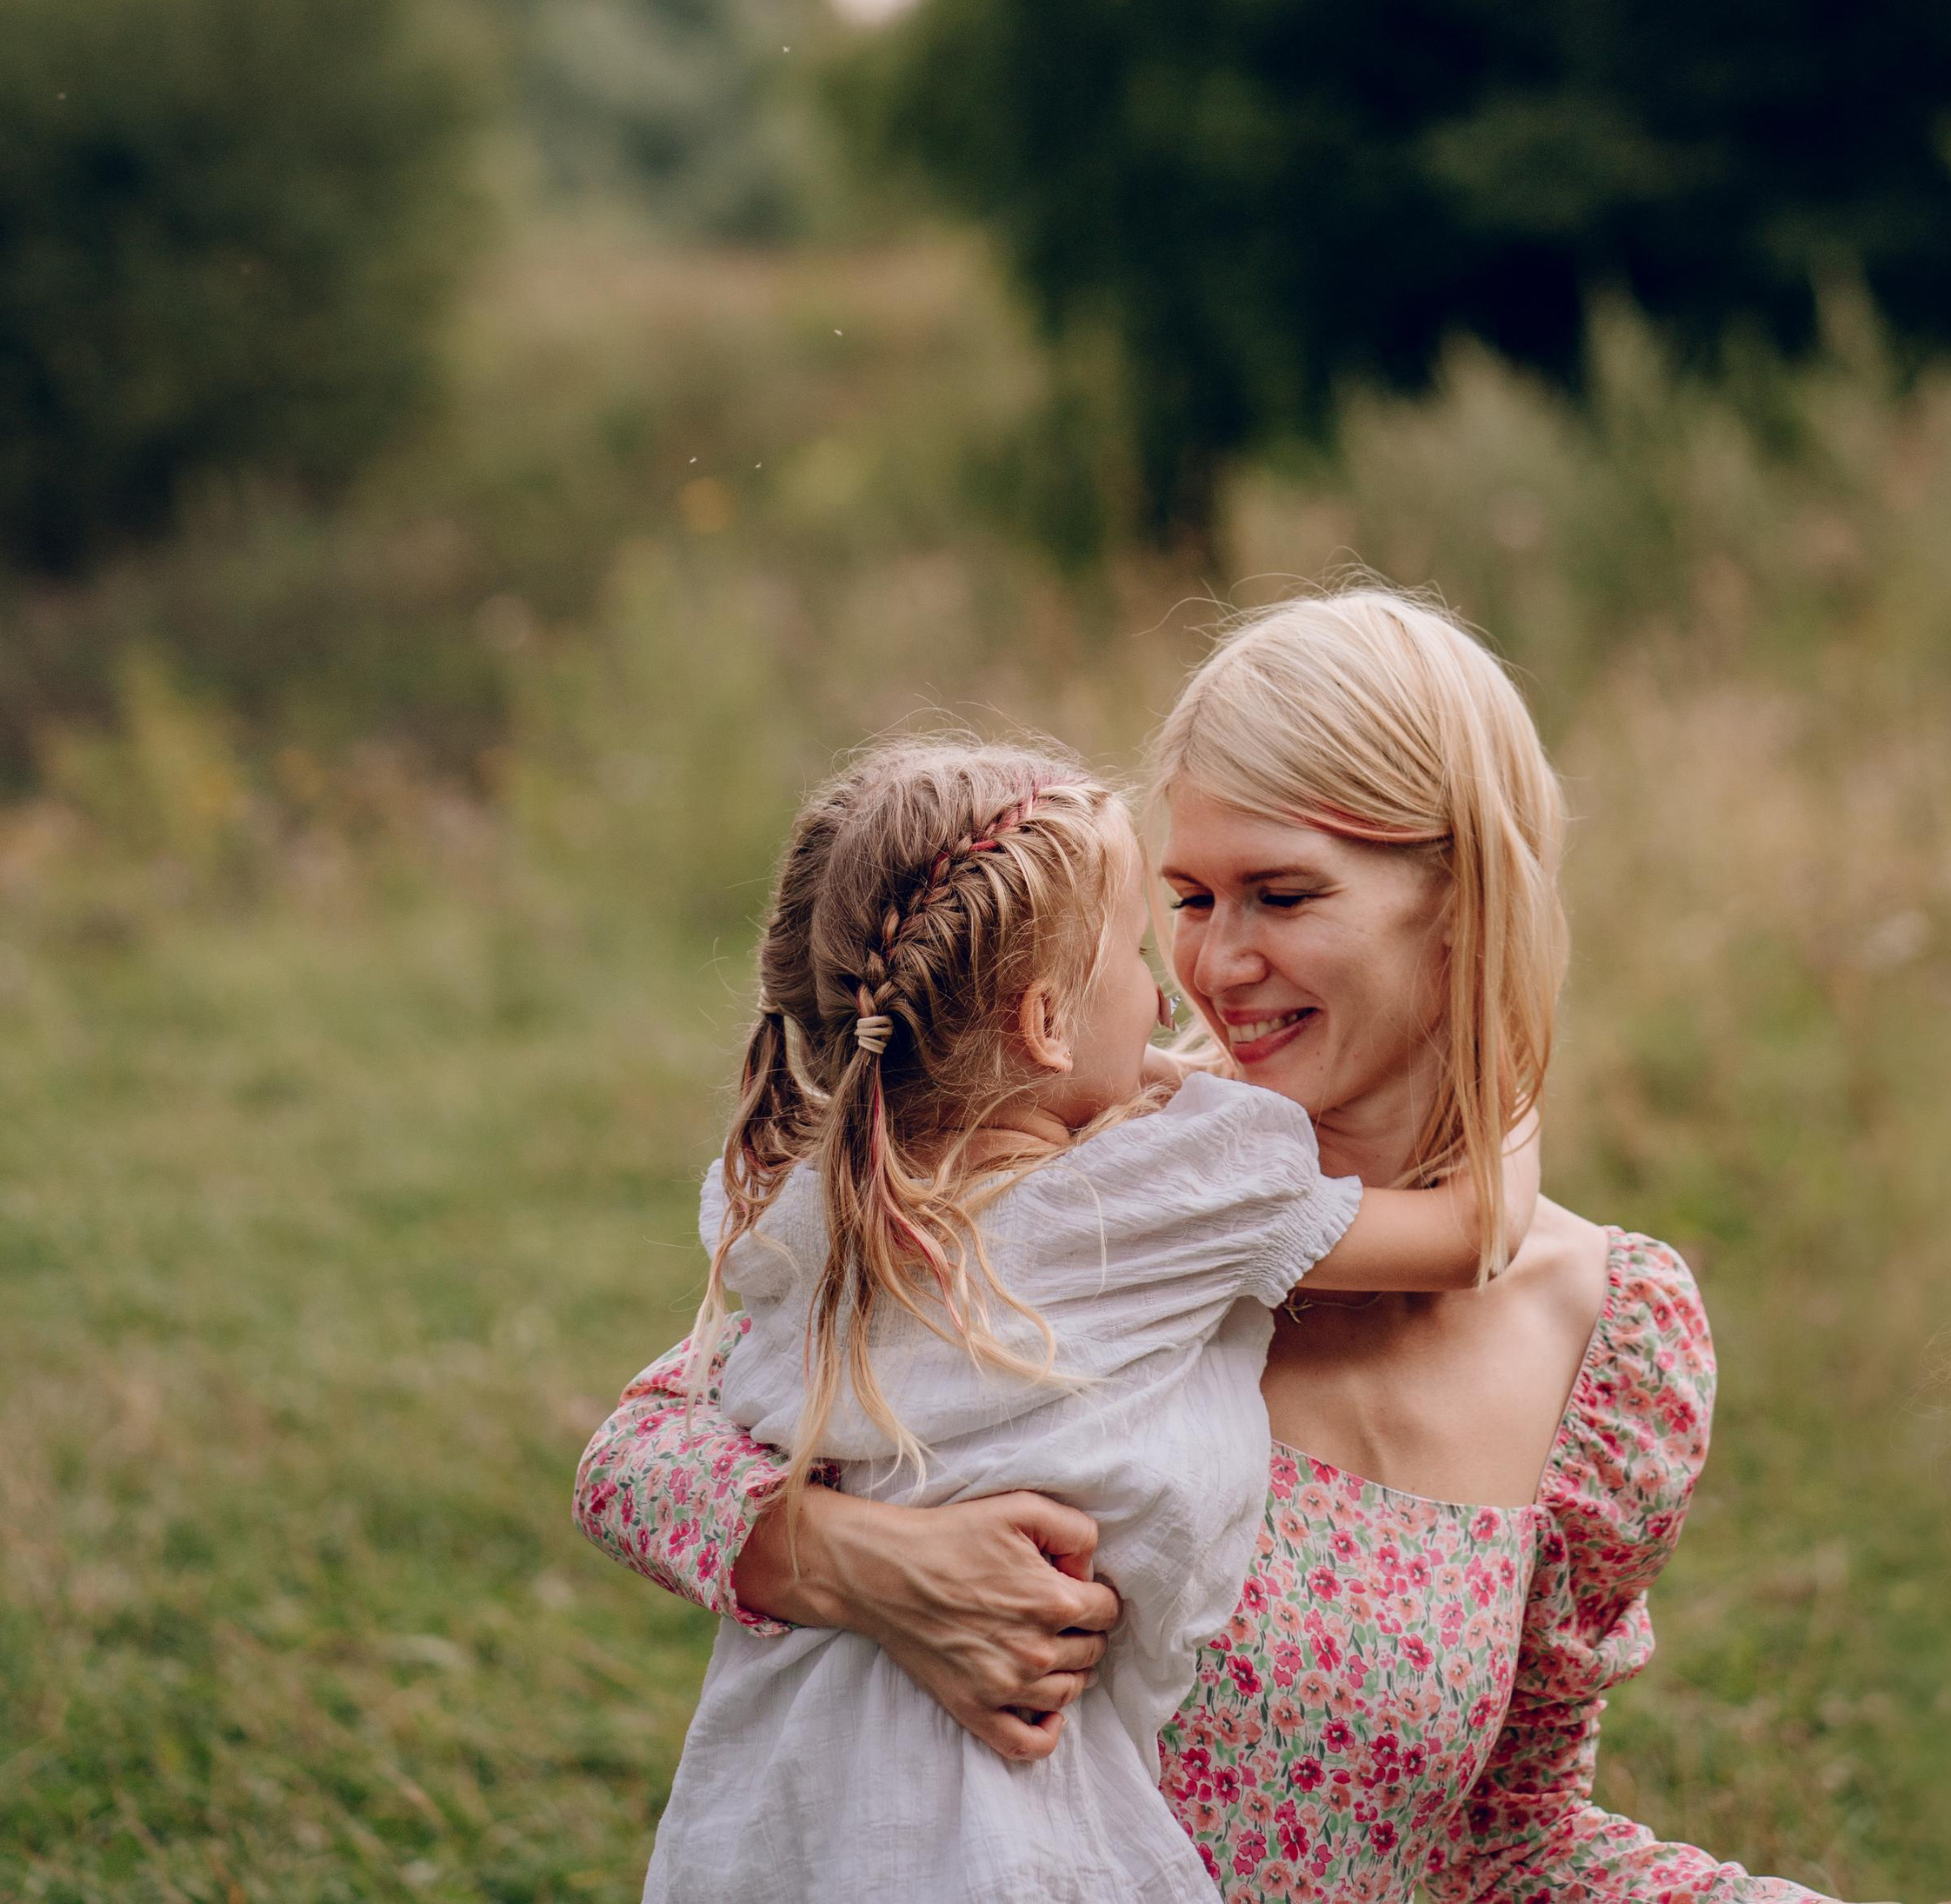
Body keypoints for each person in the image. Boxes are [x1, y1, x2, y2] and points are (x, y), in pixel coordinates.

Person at [578, 589, 1854, 1903]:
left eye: (1282, 893)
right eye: (1185, 897)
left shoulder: (1606, 1342)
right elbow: (639, 1456)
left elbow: (1506, 1839)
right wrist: (870, 1565)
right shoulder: (1075, 1170)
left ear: (1465, 891)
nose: (1215, 963)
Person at [643, 733, 1532, 1904]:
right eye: (1145, 940)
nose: (1176, 991)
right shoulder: (1174, 1194)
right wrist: (1504, 1013)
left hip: (770, 1809)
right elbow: (1474, 1232)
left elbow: (640, 1438)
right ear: (1048, 1022)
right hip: (1015, 1829)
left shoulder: (810, 1207)